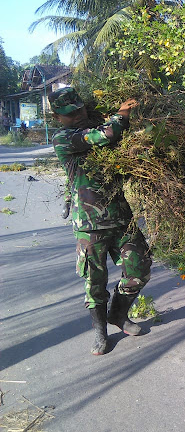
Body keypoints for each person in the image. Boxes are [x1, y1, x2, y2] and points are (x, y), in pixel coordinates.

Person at [50, 87, 152, 356]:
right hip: (89, 225)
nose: (77, 116)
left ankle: (118, 315)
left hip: (121, 219)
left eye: (80, 110)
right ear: (58, 117)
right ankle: (100, 333)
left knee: (139, 269)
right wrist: (122, 113)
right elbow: (107, 134)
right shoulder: (64, 138)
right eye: (70, 114)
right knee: (95, 282)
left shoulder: (94, 124)